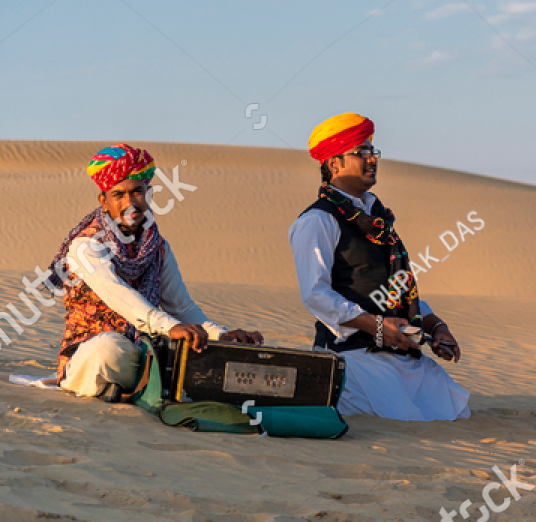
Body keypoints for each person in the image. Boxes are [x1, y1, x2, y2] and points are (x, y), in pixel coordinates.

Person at [288, 112, 470, 421]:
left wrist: (435, 326)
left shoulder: (379, 222)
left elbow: (396, 291)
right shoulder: (317, 221)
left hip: (405, 355)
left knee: (458, 414)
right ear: (334, 163)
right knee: (405, 425)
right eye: (361, 152)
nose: (372, 160)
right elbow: (315, 294)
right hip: (355, 357)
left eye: (373, 152)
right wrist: (375, 327)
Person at [46, 144, 262, 401]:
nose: (130, 203)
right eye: (119, 195)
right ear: (103, 201)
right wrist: (169, 327)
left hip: (144, 348)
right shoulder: (86, 246)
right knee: (109, 349)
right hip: (92, 352)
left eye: (137, 191)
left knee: (190, 351)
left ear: (149, 193)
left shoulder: (157, 247)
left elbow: (181, 308)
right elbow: (118, 294)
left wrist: (221, 335)